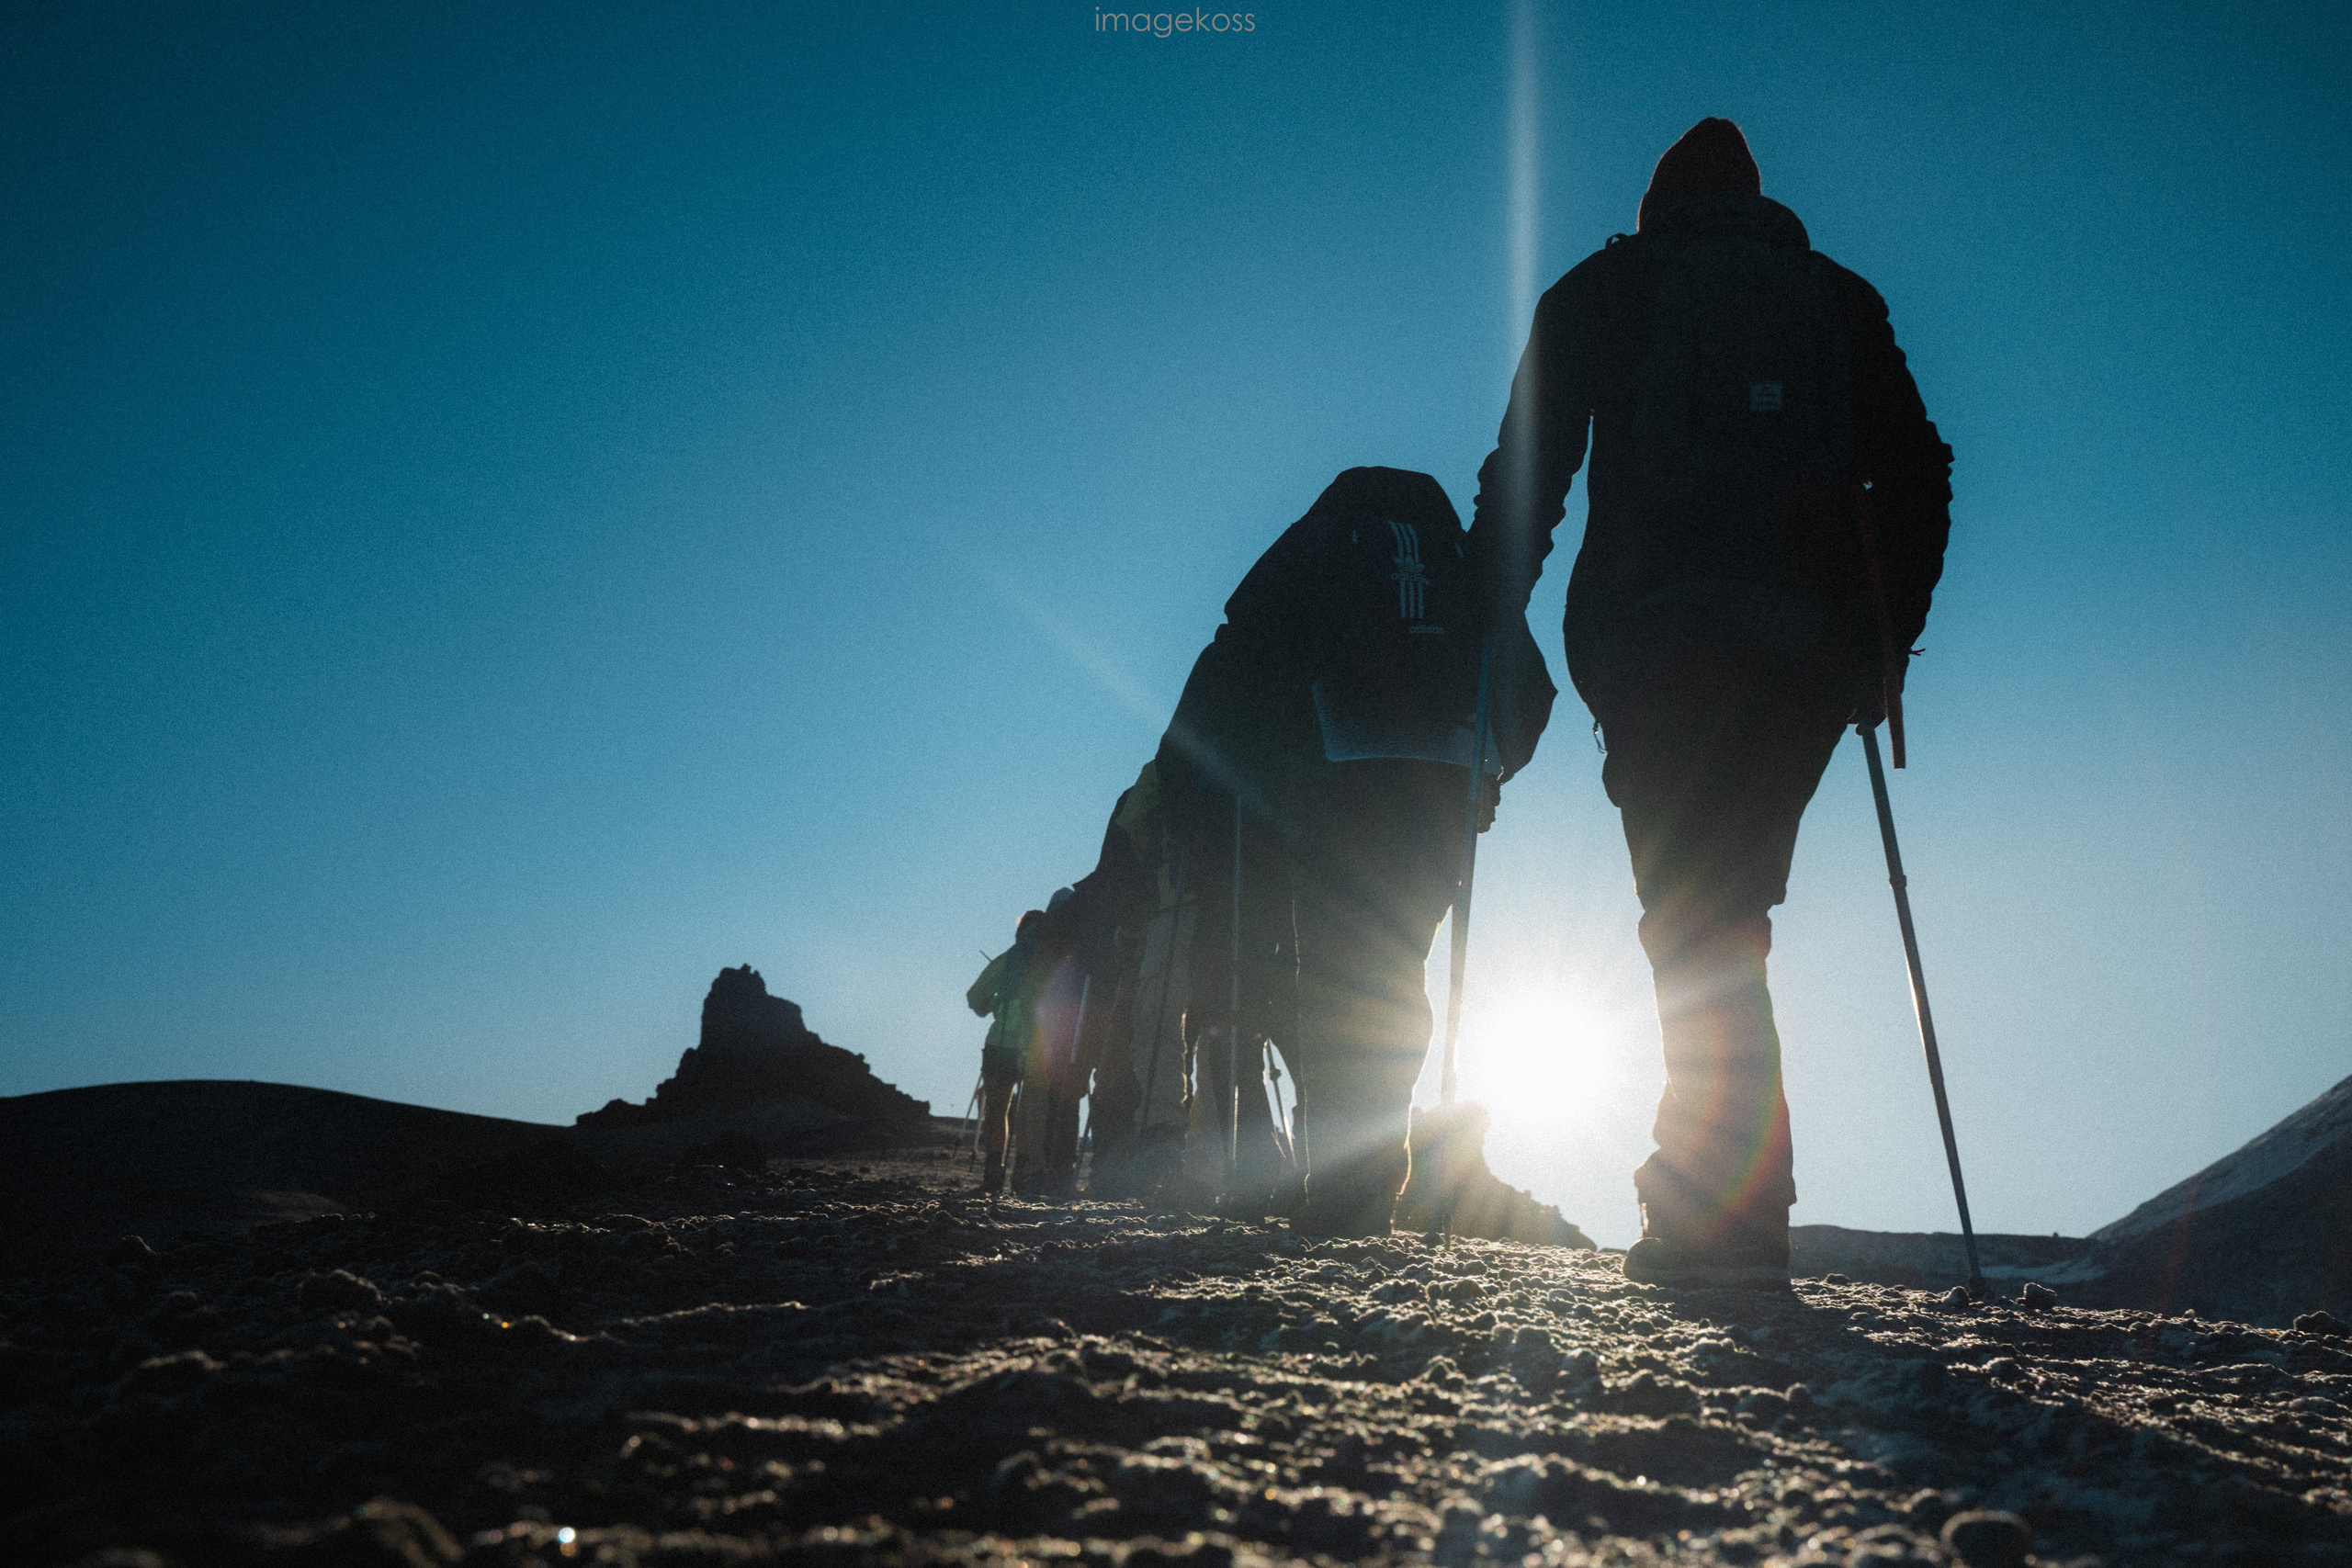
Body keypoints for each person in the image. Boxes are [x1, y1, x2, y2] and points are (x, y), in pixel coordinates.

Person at [1466, 118, 1954, 1288]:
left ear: (1653, 206)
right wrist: (1883, 647)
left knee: (1698, 921)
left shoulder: (1604, 287)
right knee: (1723, 915)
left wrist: (1491, 623)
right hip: (1804, 653)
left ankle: (1722, 1216)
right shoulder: (1839, 298)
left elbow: (1528, 476)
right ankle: (1728, 1202)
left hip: (1658, 640)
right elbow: (1920, 471)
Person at [1159, 465, 1554, 1235]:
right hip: (1441, 790)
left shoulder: (1316, 546)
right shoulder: (1462, 563)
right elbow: (1529, 686)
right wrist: (1490, 771)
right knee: (1392, 968)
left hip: (1332, 779)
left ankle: (1348, 1185)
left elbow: (1235, 659)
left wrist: (1200, 790)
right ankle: (1367, 1175)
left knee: (1338, 970)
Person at [966, 908, 1047, 1196]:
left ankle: (993, 1176)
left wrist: (994, 1005)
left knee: (997, 1110)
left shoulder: (1006, 959)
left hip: (1000, 1043)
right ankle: (1022, 1178)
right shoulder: (1049, 961)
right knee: (1026, 1112)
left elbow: (974, 998)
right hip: (1036, 1045)